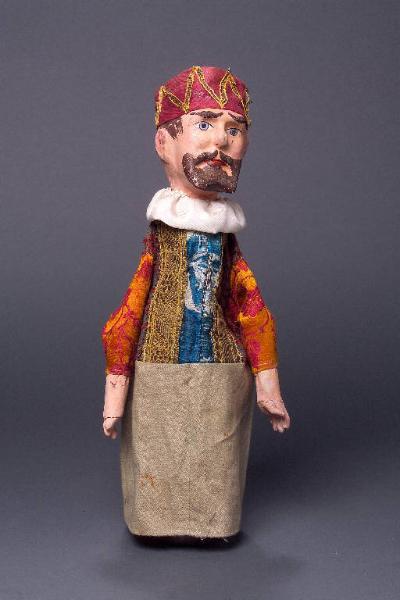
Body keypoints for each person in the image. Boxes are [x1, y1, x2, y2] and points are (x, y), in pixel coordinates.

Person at [101, 65, 290, 544]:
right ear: (164, 143)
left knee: (216, 453)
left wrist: (267, 384)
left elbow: (251, 308)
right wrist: (116, 390)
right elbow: (130, 310)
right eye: (204, 124)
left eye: (234, 130)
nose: (221, 142)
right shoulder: (162, 236)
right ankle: (154, 524)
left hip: (222, 369)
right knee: (156, 451)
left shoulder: (226, 241)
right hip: (156, 365)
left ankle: (213, 523)